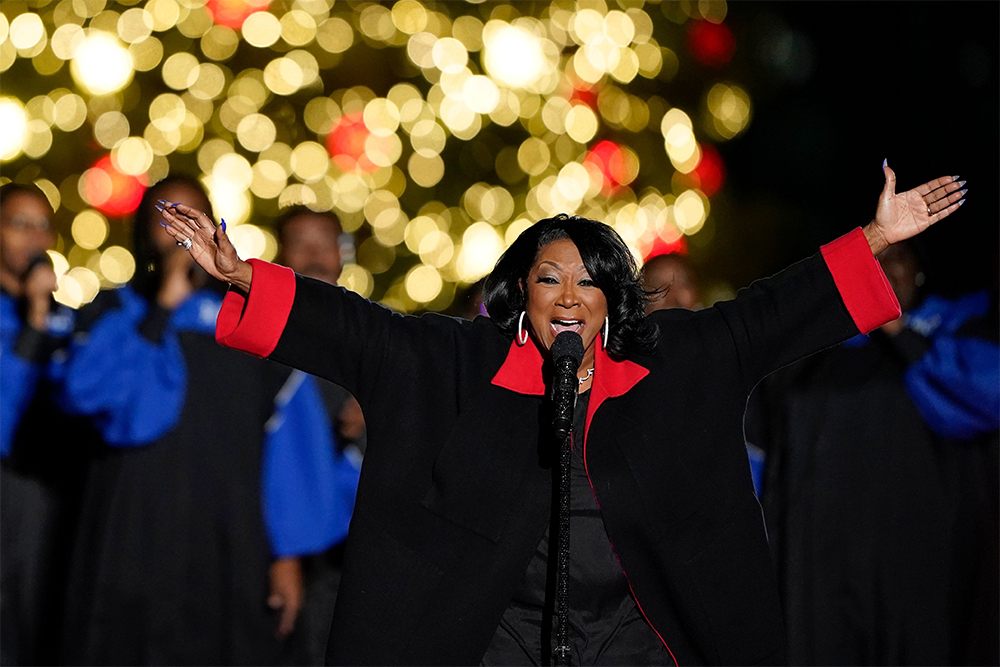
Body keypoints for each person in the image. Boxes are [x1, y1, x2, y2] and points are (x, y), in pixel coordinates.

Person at [159, 163, 965, 665]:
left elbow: (769, 313)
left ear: (615, 299)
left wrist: (872, 238)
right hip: (493, 635)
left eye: (589, 282)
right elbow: (360, 331)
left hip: (642, 634)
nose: (570, 297)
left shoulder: (677, 361)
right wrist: (241, 276)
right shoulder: (457, 362)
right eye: (550, 279)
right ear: (524, 294)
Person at [58, 176, 358, 665]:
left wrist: (286, 554)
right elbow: (88, 395)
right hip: (131, 528)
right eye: (167, 216)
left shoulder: (246, 322)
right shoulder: (114, 312)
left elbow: (283, 441)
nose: (180, 229)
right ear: (143, 233)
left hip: (228, 539)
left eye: (193, 216)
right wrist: (160, 311)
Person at [746, 238, 998, 666]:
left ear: (920, 273)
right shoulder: (808, 358)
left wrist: (899, 332)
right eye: (875, 261)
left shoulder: (956, 333)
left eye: (898, 260)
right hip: (826, 566)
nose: (885, 271)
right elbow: (761, 455)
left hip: (922, 560)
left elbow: (987, 397)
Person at [0, 183, 88, 665]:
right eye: (19, 224)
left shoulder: (73, 324)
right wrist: (33, 324)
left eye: (42, 225)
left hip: (59, 499)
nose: (34, 238)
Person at [274, 206, 366, 664]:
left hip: (364, 544)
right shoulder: (261, 337)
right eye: (300, 243)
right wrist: (282, 555)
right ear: (280, 254)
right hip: (291, 548)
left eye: (325, 242)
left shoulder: (377, 331)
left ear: (342, 252)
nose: (314, 255)